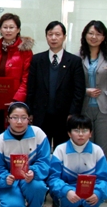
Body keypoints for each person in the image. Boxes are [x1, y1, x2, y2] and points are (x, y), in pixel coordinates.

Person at [47, 115, 107, 207]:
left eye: (85, 130)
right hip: (67, 191)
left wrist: (98, 193)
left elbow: (106, 179)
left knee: (94, 197)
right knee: (69, 199)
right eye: (76, 130)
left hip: (90, 191)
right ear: (69, 133)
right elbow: (53, 178)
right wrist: (66, 191)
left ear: (90, 133)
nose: (81, 134)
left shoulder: (97, 150)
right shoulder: (60, 150)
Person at [0, 102, 50, 207]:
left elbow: (44, 160)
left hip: (30, 178)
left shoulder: (38, 134)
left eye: (23, 118)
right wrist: (5, 178)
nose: (19, 121)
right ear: (8, 119)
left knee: (38, 187)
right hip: (10, 181)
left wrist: (34, 172)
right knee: (13, 206)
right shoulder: (0, 140)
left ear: (29, 119)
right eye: (14, 117)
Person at [26, 21, 85, 149]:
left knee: (62, 150)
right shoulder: (37, 60)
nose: (53, 38)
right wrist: (29, 111)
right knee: (41, 150)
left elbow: (79, 91)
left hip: (64, 116)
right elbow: (31, 88)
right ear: (46, 36)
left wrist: (73, 113)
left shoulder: (74, 61)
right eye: (50, 34)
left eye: (57, 34)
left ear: (64, 37)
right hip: (41, 115)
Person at [0, 13, 34, 133]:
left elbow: (26, 79)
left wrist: (16, 101)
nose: (8, 30)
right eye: (5, 27)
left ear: (18, 30)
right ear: (0, 29)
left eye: (11, 27)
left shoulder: (25, 51)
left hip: (15, 103)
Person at [79, 20, 107, 161]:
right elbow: (73, 84)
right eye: (90, 33)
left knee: (102, 149)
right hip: (84, 107)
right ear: (85, 35)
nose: (94, 37)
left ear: (104, 37)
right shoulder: (78, 56)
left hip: (105, 108)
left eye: (98, 34)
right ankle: (86, 175)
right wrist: (85, 91)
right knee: (85, 148)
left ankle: (102, 175)